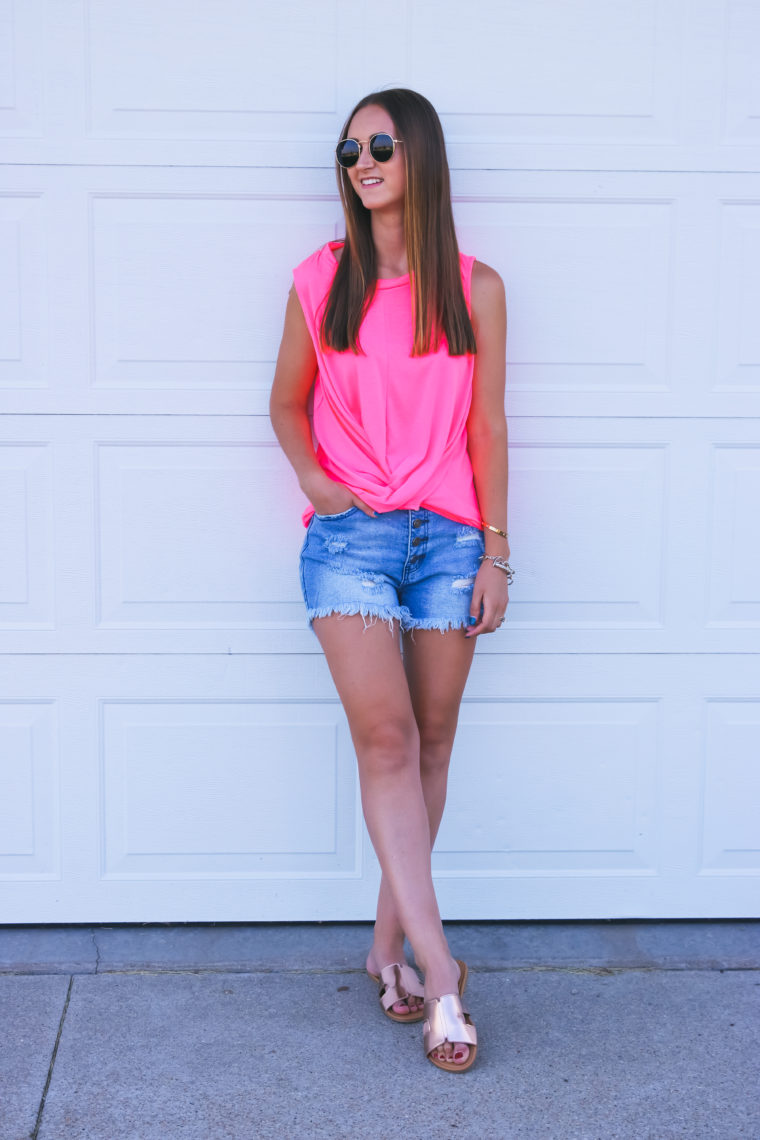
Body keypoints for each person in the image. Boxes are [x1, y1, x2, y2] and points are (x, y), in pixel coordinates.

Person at [269, 87, 511, 1073]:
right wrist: (325, 489)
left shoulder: (476, 286)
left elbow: (485, 425)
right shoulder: (322, 279)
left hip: (451, 540)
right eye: (349, 148)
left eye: (378, 144)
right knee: (388, 734)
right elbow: (285, 405)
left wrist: (495, 549)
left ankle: (384, 950)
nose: (360, 160)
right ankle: (442, 972)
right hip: (353, 543)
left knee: (432, 741)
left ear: (419, 156)